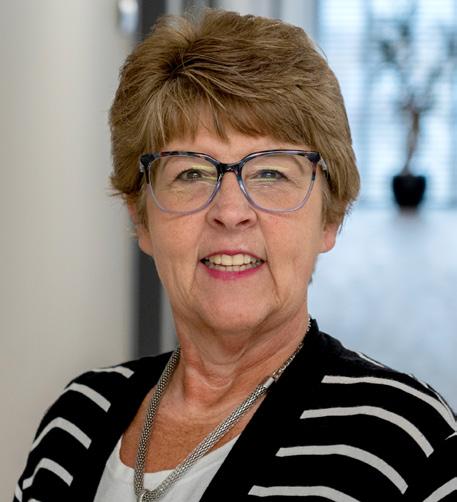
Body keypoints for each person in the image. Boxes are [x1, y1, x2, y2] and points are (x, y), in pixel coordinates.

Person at [14, 8, 456, 502]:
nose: (230, 212)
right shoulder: (75, 418)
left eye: (270, 173)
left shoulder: (405, 445)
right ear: (141, 218)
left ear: (329, 218)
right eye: (190, 173)